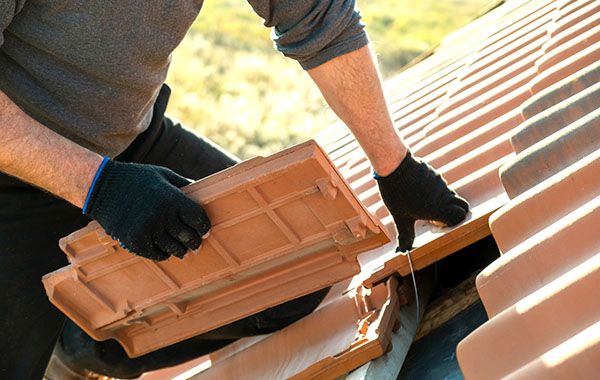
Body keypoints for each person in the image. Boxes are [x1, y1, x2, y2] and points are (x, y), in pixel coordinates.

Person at [0, 1, 469, 379]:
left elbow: (319, 16)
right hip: (10, 174)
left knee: (290, 276)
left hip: (130, 140)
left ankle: (83, 341)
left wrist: (395, 166)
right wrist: (97, 186)